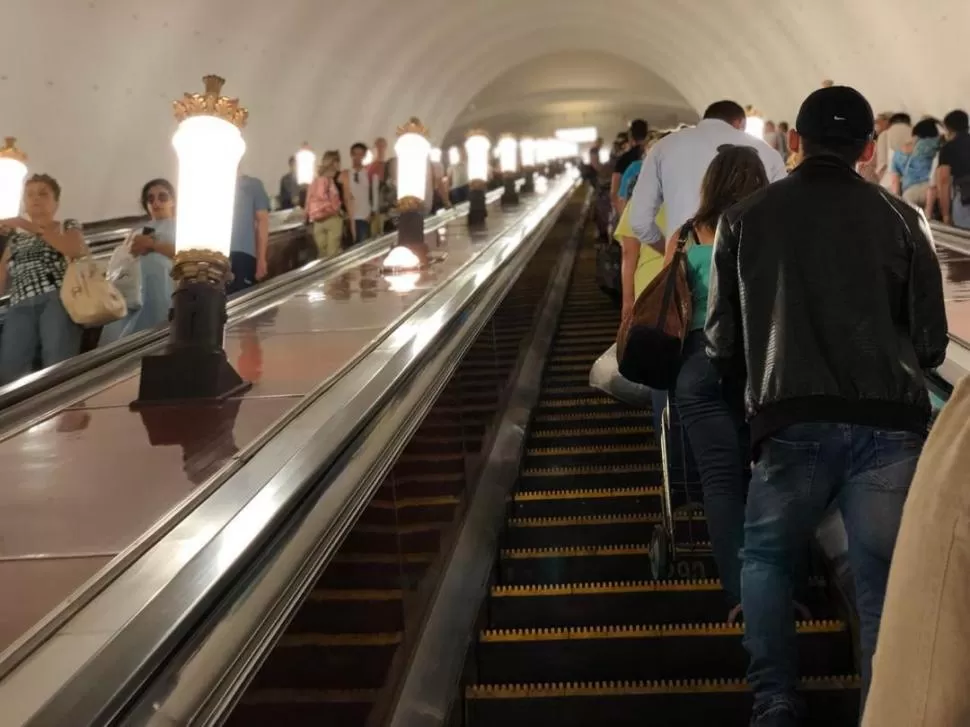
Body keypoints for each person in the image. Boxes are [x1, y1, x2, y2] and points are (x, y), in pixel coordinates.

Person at [705, 85, 947, 725]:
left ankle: (777, 702)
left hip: (790, 422)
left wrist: (753, 404)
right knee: (881, 580)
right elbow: (928, 343)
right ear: (870, 148)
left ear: (793, 142)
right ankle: (881, 708)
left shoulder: (742, 219)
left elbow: (722, 342)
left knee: (765, 559)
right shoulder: (905, 219)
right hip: (890, 428)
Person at [668, 145, 770, 622]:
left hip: (697, 370)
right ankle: (777, 589)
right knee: (771, 477)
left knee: (720, 483)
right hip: (761, 369)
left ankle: (740, 598)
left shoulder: (687, 235)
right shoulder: (773, 230)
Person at [629, 100, 787, 248]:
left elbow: (639, 222)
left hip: (686, 265)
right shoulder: (767, 152)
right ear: (741, 123)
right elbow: (782, 219)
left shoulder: (664, 147)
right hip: (746, 267)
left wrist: (673, 251)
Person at [0, 174, 84, 383]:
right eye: (29, 194)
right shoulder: (16, 239)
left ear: (55, 202)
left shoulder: (66, 225)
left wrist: (28, 225)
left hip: (56, 299)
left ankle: (63, 412)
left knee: (57, 364)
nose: (35, 198)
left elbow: (74, 250)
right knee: (10, 370)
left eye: (43, 193)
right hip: (19, 305)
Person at [100, 179, 176, 344]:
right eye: (150, 199)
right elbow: (122, 261)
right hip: (135, 291)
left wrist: (153, 245)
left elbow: (185, 254)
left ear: (173, 200)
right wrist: (134, 250)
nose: (156, 202)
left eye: (162, 197)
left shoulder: (183, 226)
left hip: (164, 287)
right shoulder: (137, 231)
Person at [227, 173, 270, 294]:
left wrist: (261, 259)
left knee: (242, 297)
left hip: (243, 254)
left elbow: (263, 221)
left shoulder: (252, 185)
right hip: (216, 256)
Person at [889, 117, 940, 207]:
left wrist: (896, 203)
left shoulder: (898, 153)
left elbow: (895, 182)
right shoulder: (933, 144)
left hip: (910, 193)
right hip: (932, 191)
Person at [305, 151, 343, 260]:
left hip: (317, 220)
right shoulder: (330, 180)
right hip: (332, 218)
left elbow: (308, 199)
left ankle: (324, 276)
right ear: (334, 163)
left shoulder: (314, 180)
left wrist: (307, 217)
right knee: (333, 254)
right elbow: (333, 200)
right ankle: (333, 276)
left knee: (322, 254)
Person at [936, 109, 970, 229]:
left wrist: (945, 214)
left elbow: (944, 180)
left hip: (965, 199)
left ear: (948, 128)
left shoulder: (948, 148)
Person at [611, 119, 648, 214]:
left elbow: (614, 192)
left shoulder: (623, 160)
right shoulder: (655, 159)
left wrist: (622, 218)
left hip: (627, 212)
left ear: (630, 136)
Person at [876, 112, 912, 188]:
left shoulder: (885, 134)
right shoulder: (915, 134)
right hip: (910, 183)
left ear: (890, 122)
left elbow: (882, 164)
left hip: (889, 182)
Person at [347, 142, 372, 244]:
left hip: (365, 215)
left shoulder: (368, 173)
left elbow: (372, 194)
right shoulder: (347, 174)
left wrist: (371, 212)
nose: (358, 157)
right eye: (355, 154)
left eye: (361, 154)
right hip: (352, 216)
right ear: (351, 155)